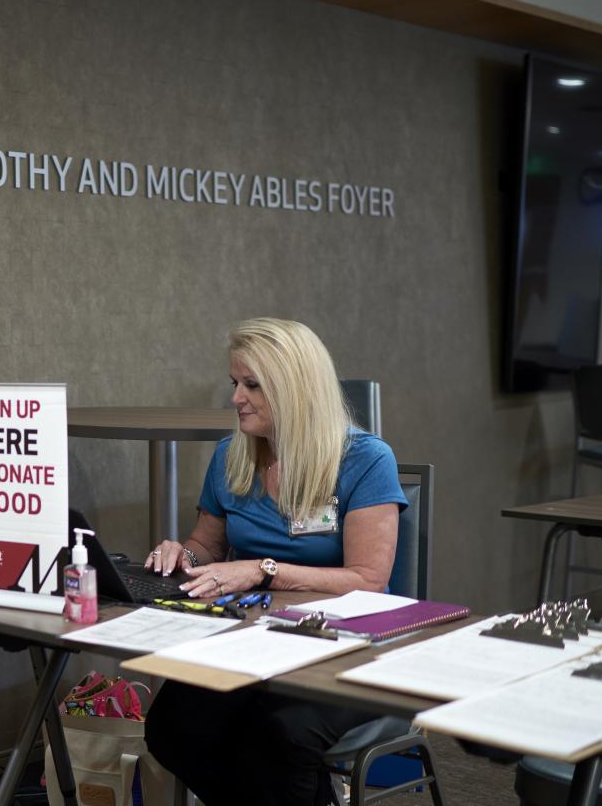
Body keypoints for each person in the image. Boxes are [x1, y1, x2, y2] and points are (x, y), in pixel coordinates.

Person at [142, 317, 406, 806]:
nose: (236, 397)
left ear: (295, 388)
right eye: (235, 383)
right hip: (257, 639)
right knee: (172, 726)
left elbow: (369, 580)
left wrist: (263, 569)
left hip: (346, 644)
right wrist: (181, 553)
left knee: (282, 733)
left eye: (252, 385)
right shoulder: (230, 457)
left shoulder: (365, 460)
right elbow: (208, 545)